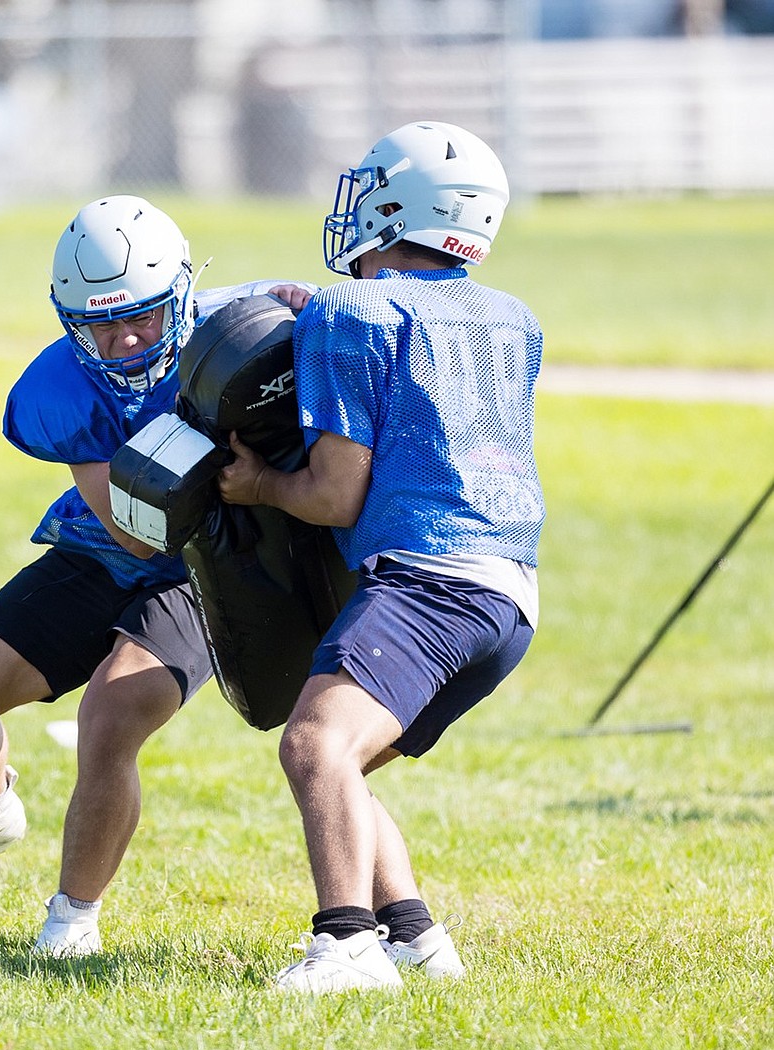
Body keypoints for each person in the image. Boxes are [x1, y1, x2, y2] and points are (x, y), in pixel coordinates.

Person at [0, 194, 312, 957]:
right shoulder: (60, 387)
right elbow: (134, 533)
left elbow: (347, 323)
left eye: (144, 314)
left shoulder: (245, 328)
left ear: (182, 289)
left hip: (210, 561)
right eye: (100, 324)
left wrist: (314, 316)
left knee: (110, 716)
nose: (126, 337)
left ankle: (72, 922)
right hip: (115, 544)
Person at [218, 121, 545, 993]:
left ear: (395, 206)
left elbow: (333, 497)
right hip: (508, 595)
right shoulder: (512, 315)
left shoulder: (352, 308)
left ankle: (347, 946)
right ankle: (415, 937)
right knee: (343, 763)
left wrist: (256, 487)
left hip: (428, 579)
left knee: (315, 745)